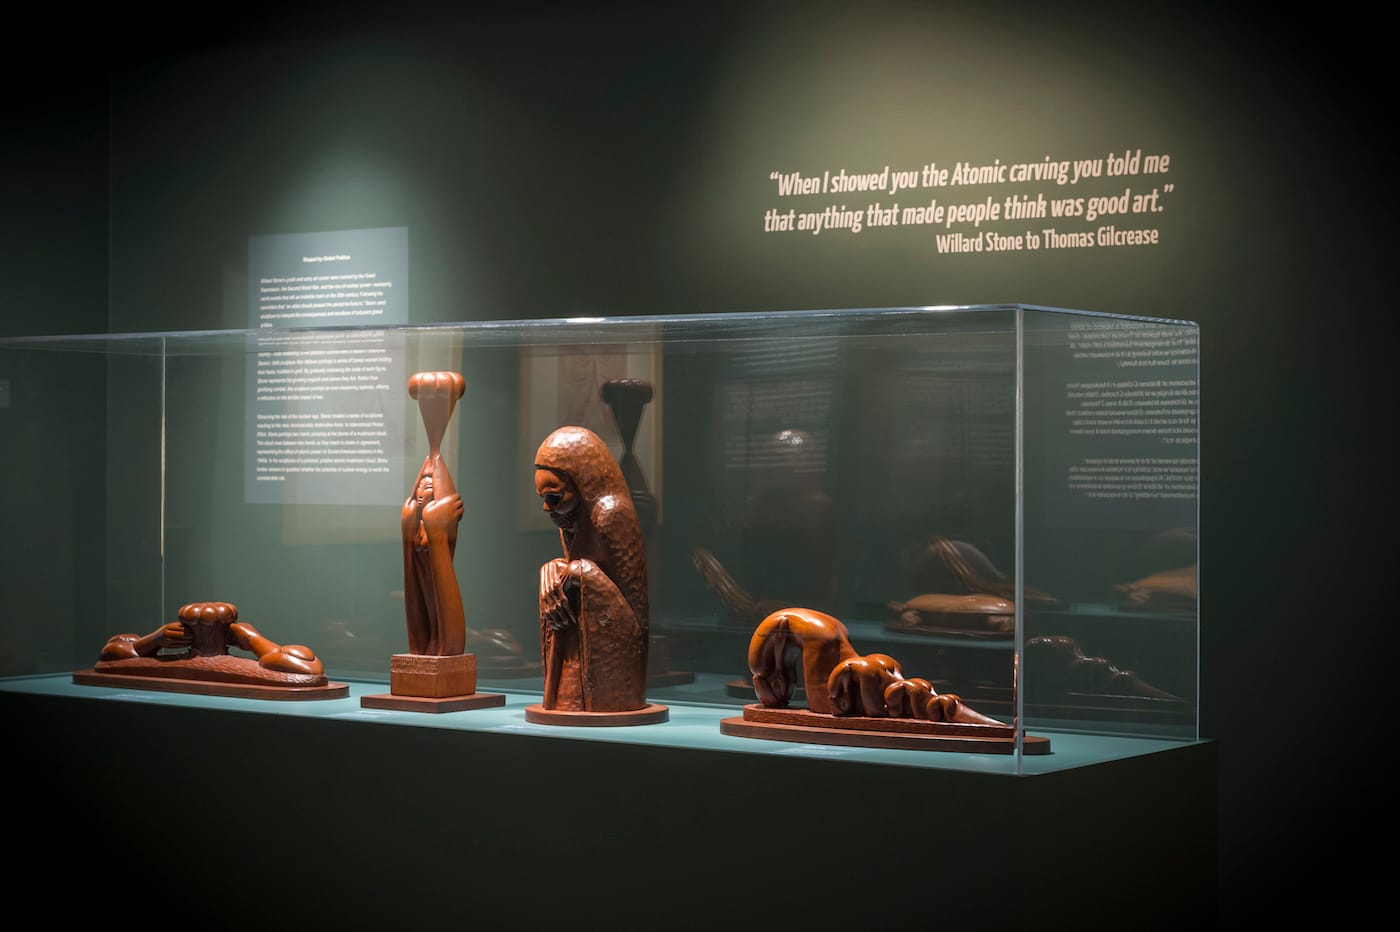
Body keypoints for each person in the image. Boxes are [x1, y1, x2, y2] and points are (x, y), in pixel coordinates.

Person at [533, 425, 648, 712]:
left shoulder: (611, 515)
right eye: (543, 499)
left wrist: (577, 573)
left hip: (614, 648)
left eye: (554, 498)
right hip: (579, 634)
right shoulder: (572, 520)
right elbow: (569, 574)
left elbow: (634, 615)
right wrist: (552, 571)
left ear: (581, 484)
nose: (547, 509)